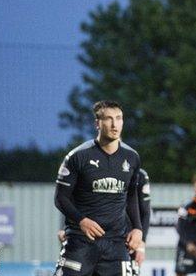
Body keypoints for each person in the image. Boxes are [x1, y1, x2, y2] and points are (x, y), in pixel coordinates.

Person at [53, 100, 143, 276]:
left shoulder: (132, 157)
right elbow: (61, 198)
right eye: (108, 119)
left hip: (116, 243)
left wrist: (137, 228)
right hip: (80, 241)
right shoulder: (78, 156)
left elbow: (131, 196)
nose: (114, 124)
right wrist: (81, 220)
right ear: (97, 123)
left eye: (118, 118)